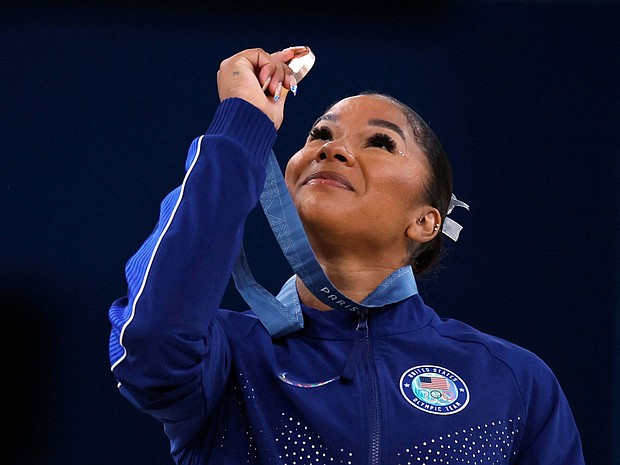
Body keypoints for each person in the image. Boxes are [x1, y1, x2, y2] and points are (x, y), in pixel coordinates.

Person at [108, 46, 585, 465]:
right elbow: (149, 342)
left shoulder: (514, 383)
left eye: (380, 142)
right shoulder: (228, 356)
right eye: (318, 134)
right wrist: (241, 126)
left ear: (425, 220)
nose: (332, 150)